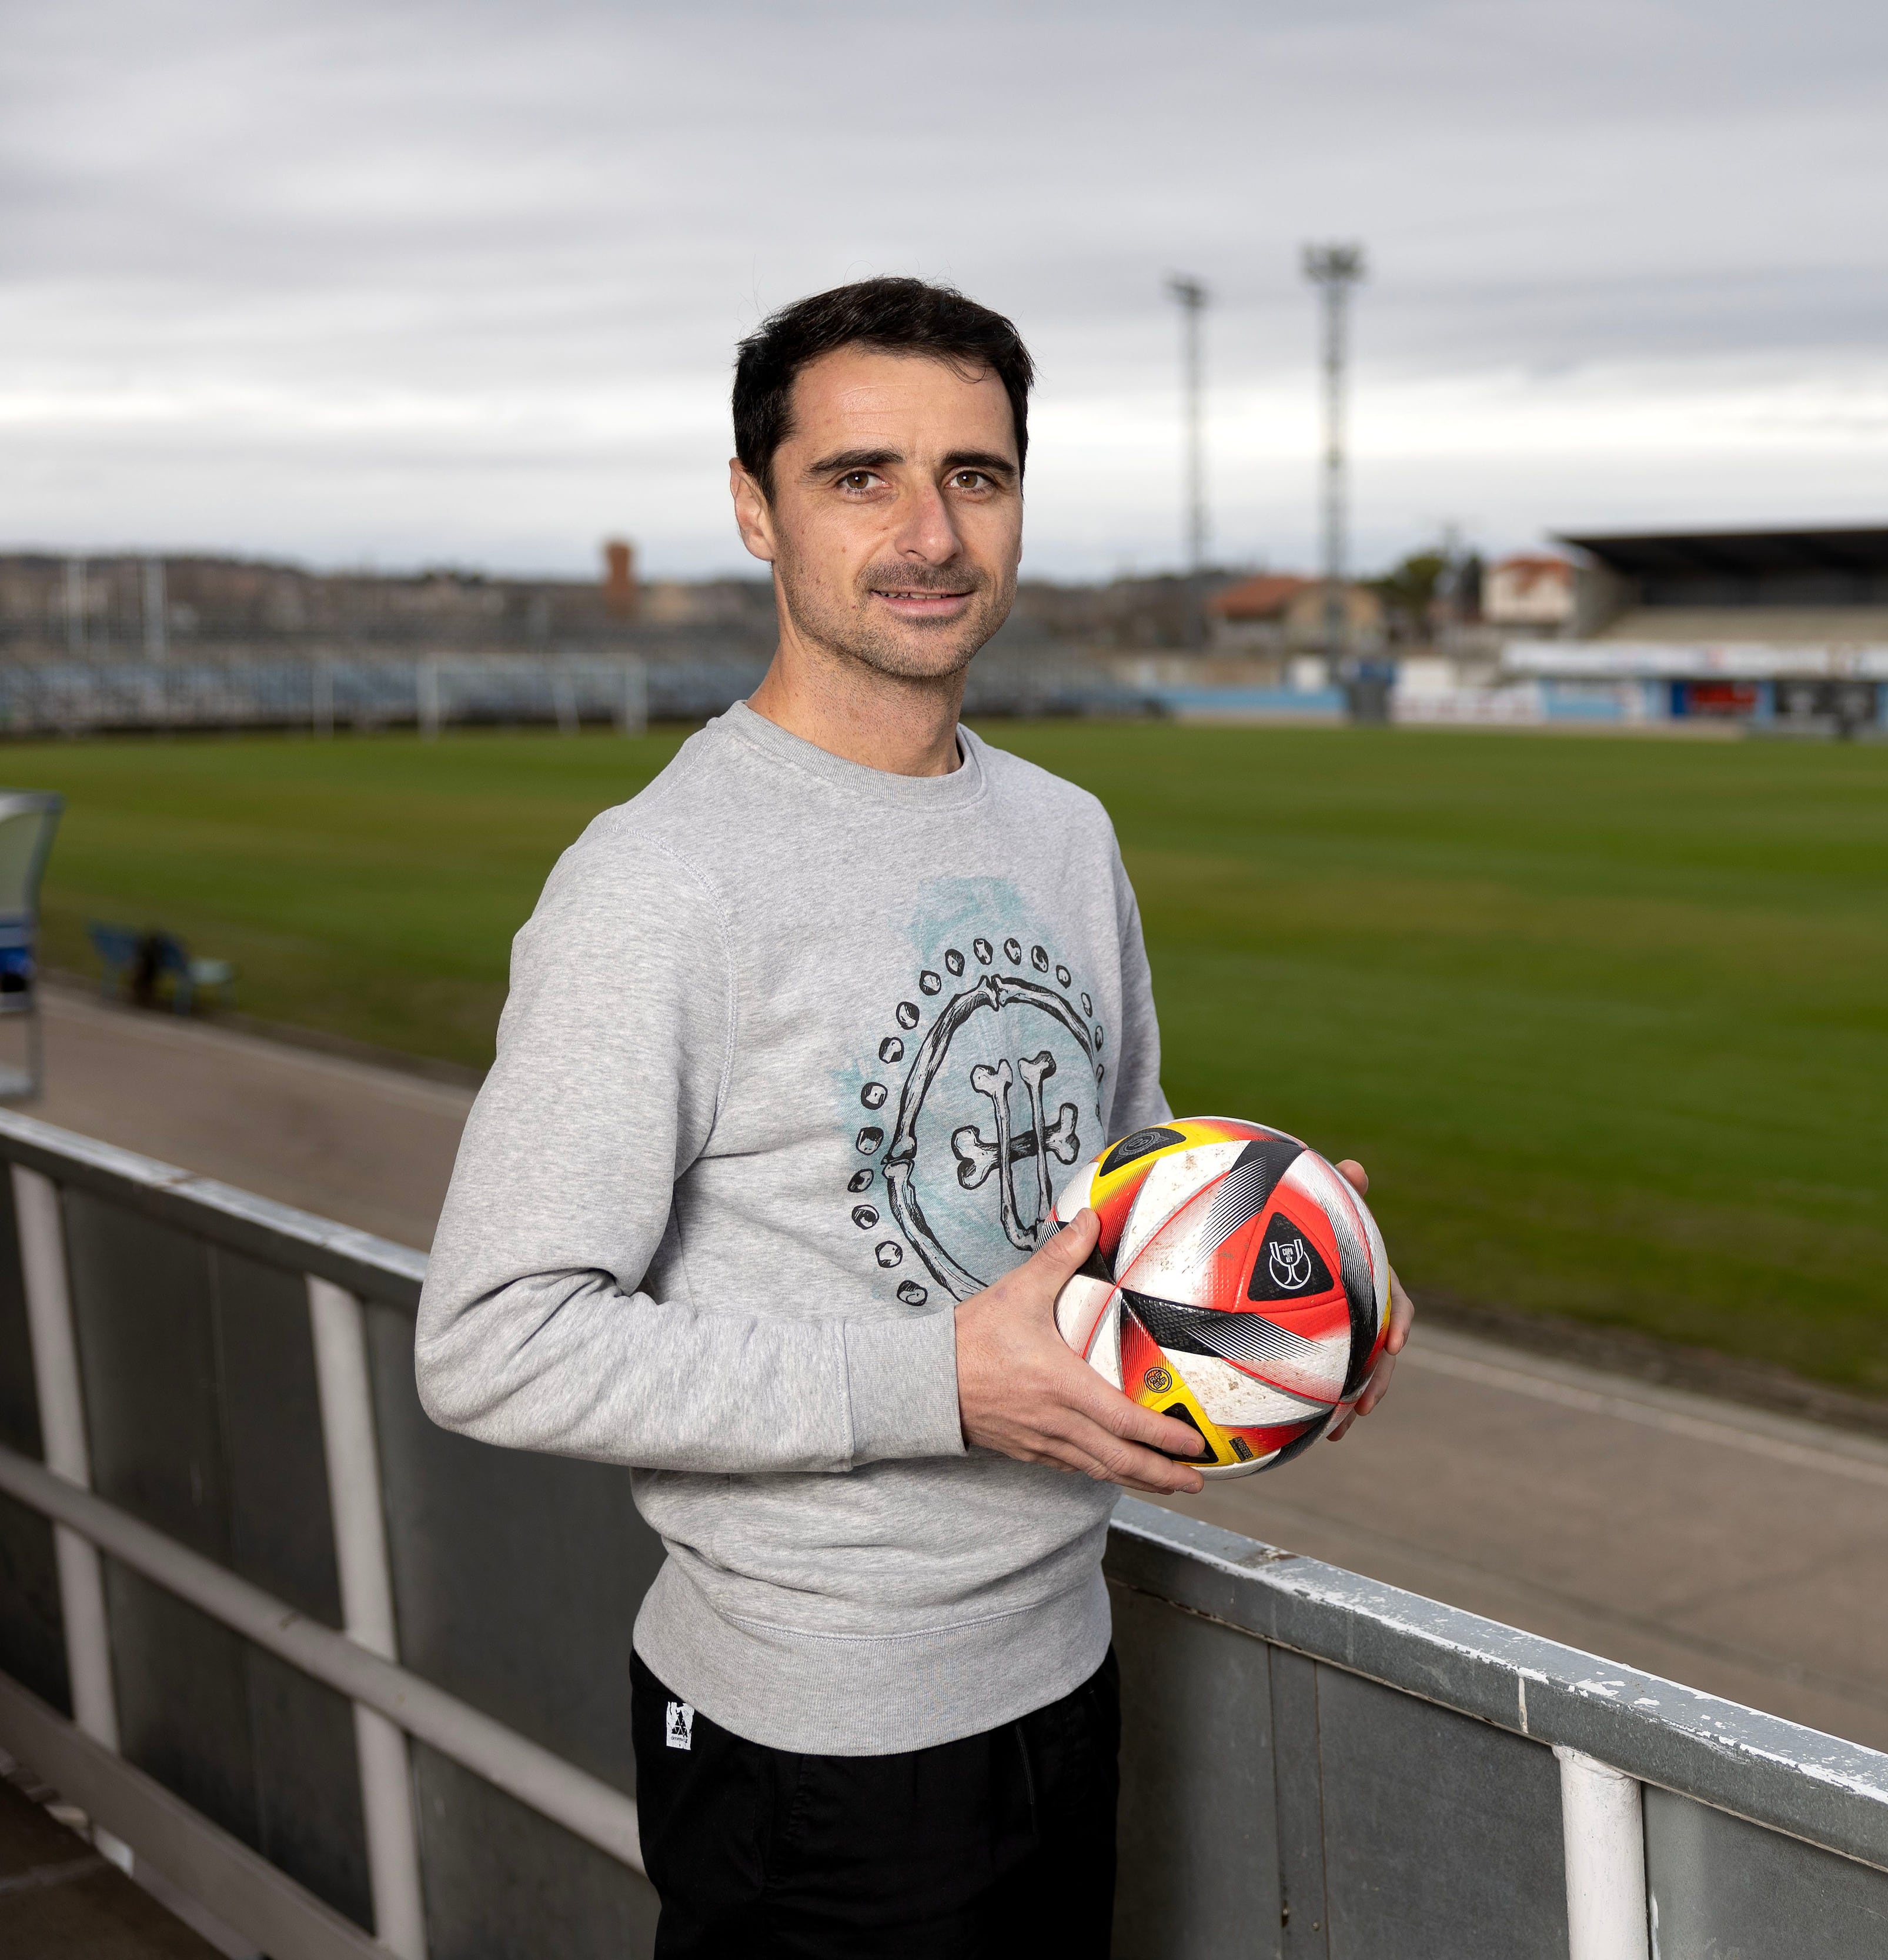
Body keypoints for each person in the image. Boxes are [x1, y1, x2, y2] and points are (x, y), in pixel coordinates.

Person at [416, 276, 1411, 1957]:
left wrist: (1286, 1271)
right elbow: (493, 1340)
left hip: (1064, 1661)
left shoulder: (1065, 829)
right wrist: (939, 1380)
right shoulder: (659, 881)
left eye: (978, 474)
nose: (931, 532)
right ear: (757, 509)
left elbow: (1109, 1195)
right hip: (819, 1742)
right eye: (860, 475)